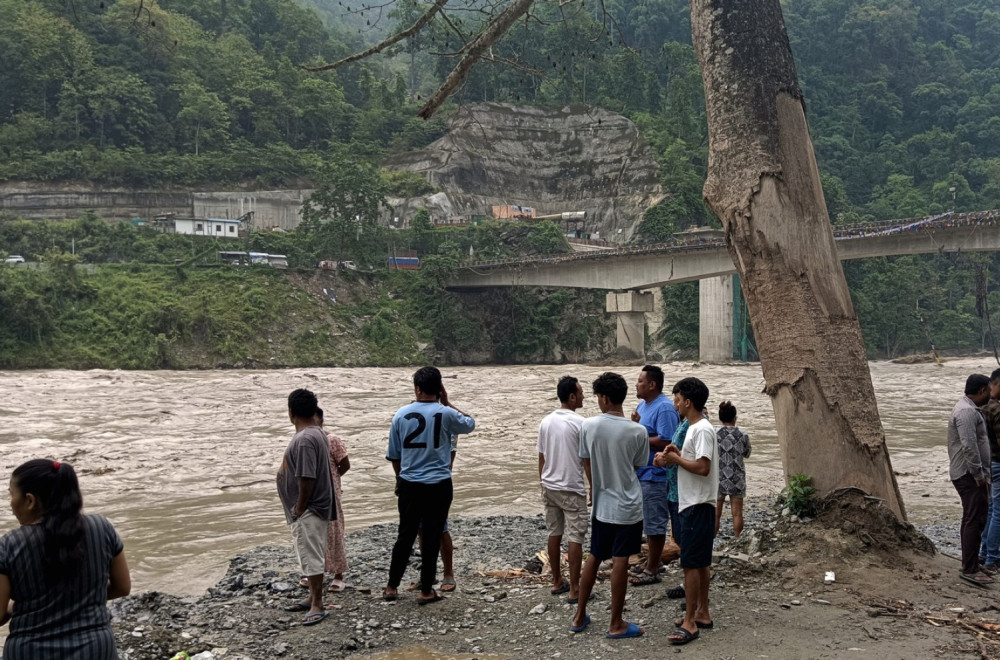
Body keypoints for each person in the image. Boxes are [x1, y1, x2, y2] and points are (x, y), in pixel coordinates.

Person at [0, 459, 131, 659]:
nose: (10, 505)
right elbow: (122, 587)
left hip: (31, 652)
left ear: (30, 500)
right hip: (96, 650)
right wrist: (83, 598)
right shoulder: (102, 527)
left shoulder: (9, 545)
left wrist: (15, 606)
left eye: (11, 495)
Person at [384, 366, 475, 605]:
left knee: (405, 535)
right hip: (438, 483)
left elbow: (394, 455)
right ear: (439, 389)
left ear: (417, 388)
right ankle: (426, 590)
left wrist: (399, 479)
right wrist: (448, 402)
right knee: (434, 534)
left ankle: (392, 586)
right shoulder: (446, 413)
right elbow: (470, 424)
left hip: (409, 483)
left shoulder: (401, 415)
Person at [570, 372, 647, 639]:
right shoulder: (638, 430)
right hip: (628, 506)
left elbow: (586, 461)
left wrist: (595, 487)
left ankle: (579, 615)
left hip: (601, 505)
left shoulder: (588, 426)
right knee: (620, 561)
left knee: (594, 555)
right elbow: (636, 466)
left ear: (603, 397)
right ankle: (616, 623)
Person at [655, 377, 717, 646]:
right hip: (696, 503)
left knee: (691, 565)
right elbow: (694, 460)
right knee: (700, 563)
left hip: (696, 504)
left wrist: (676, 459)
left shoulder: (701, 429)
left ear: (688, 402)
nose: (675, 404)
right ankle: (702, 612)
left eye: (678, 399)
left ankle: (690, 622)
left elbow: (704, 467)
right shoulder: (694, 428)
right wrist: (678, 453)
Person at [277, 388, 336, 625]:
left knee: (310, 555)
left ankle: (317, 604)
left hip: (309, 508)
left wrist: (299, 507)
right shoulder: (317, 433)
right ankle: (312, 595)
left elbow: (306, 476)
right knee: (312, 552)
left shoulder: (303, 440)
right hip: (316, 505)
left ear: (291, 413)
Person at [538, 375, 589, 603]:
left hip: (549, 485)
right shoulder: (581, 424)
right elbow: (587, 461)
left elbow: (542, 457)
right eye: (580, 392)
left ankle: (557, 581)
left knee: (554, 533)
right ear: (571, 397)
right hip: (571, 487)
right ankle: (575, 589)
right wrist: (594, 487)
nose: (583, 396)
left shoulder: (546, 421)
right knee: (575, 536)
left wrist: (543, 481)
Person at [628, 365, 679, 586]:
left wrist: (638, 438)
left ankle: (652, 569)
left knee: (655, 523)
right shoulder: (643, 404)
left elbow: (668, 440)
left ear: (652, 385)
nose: (636, 384)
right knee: (647, 521)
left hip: (656, 474)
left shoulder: (665, 408)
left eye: (640, 381)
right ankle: (653, 560)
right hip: (643, 473)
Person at [948, 374, 993, 586]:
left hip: (972, 474)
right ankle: (970, 568)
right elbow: (969, 446)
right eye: (989, 391)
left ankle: (972, 562)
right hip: (968, 474)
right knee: (974, 519)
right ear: (983, 390)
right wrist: (978, 474)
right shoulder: (966, 412)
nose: (991, 395)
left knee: (976, 517)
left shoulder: (970, 409)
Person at [715, 400, 752, 539]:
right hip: (737, 478)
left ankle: (711, 541)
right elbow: (747, 454)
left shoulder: (714, 433)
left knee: (716, 513)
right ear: (734, 417)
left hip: (718, 477)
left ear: (720, 418)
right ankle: (737, 539)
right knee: (737, 513)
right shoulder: (743, 435)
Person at [980, 369, 1000, 572]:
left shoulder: (983, 407)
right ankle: (992, 559)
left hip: (989, 463)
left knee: (993, 510)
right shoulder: (996, 410)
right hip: (998, 463)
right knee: (998, 513)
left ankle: (985, 553)